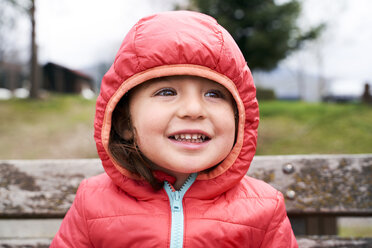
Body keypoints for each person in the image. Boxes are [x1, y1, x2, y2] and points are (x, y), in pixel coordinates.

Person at [51, 11, 297, 247]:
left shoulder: (263, 208)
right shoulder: (92, 203)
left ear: (240, 117)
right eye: (167, 92)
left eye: (214, 94)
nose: (193, 109)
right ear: (125, 123)